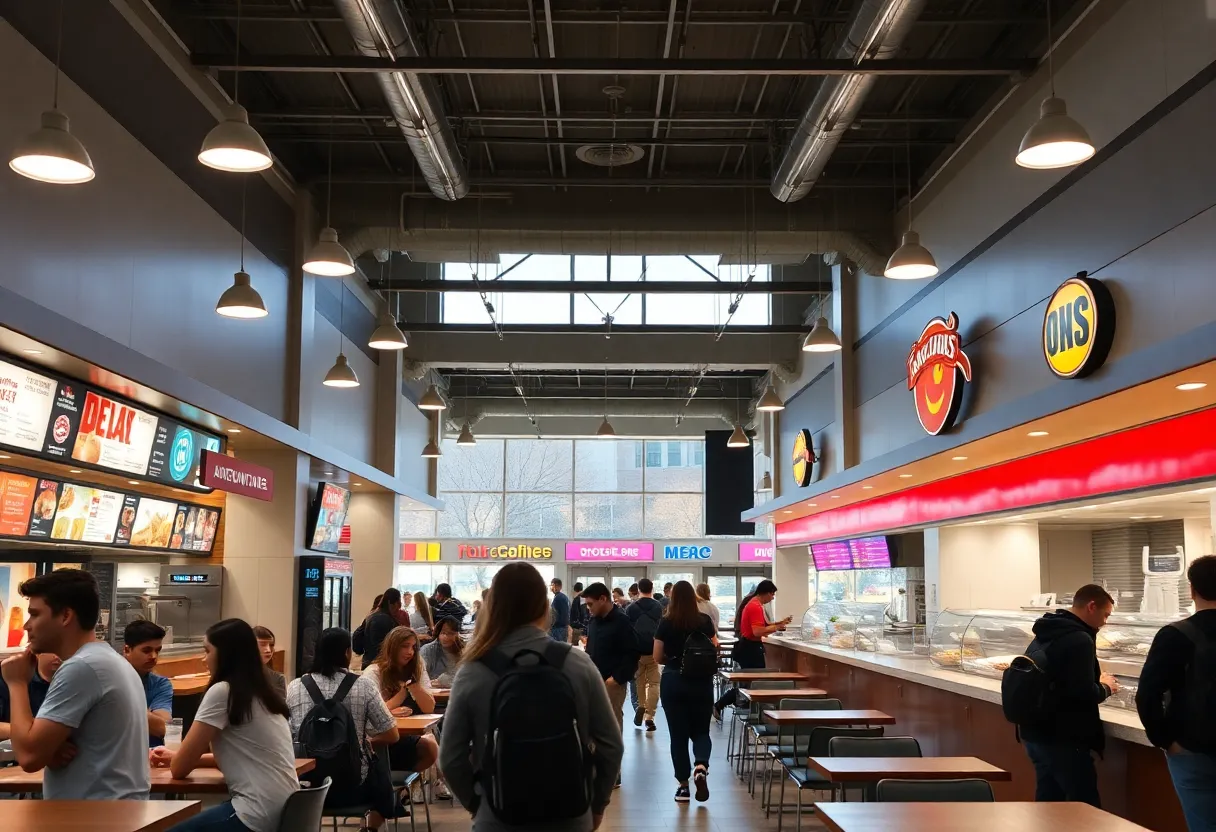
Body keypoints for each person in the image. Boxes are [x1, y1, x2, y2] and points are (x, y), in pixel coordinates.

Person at [438, 562, 623, 831]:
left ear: (493, 607)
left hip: (498, 819)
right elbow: (611, 745)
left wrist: (480, 806)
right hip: (571, 815)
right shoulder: (577, 664)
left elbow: (450, 758)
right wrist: (597, 806)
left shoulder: (474, 671)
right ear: (544, 607)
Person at [0, 569, 149, 799]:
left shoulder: (81, 668)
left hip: (94, 819)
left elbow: (29, 757)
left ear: (65, 616)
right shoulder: (109, 660)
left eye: (35, 614)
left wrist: (17, 683)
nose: (26, 625)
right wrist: (49, 748)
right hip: (116, 814)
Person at [151, 619, 299, 831]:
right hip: (285, 811)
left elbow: (179, 769)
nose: (204, 659)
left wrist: (179, 758)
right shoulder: (263, 694)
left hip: (254, 813)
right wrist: (179, 756)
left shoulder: (223, 692)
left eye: (207, 651)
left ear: (225, 655)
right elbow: (244, 755)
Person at [287, 627, 400, 830]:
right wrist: (363, 742)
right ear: (347, 652)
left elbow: (286, 736)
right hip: (354, 787)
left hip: (306, 789)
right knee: (380, 772)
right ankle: (371, 828)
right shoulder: (363, 685)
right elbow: (392, 734)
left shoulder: (295, 686)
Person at [1018, 584, 1119, 807]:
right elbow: (1082, 693)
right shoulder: (1079, 639)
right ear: (1091, 606)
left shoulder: (1049, 629)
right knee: (1085, 808)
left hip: (1034, 732)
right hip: (1064, 738)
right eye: (1105, 615)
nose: (1105, 622)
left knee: (1049, 803)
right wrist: (1106, 687)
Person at [1138, 555, 1216, 830]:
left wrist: (1166, 741)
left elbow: (1147, 695)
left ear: (1192, 590)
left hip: (1191, 748)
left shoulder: (1175, 634)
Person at [653, 581, 718, 804]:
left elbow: (657, 656)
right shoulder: (705, 621)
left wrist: (674, 659)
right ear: (693, 598)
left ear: (673, 598)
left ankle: (683, 787)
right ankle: (700, 765)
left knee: (678, 737)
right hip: (701, 683)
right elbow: (714, 647)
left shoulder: (666, 622)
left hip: (674, 681)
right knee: (701, 731)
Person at [365, 626, 439, 775]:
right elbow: (370, 715)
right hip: (380, 738)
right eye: (405, 646)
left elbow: (429, 708)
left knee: (431, 741)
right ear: (392, 647)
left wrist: (414, 686)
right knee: (430, 741)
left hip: (407, 735)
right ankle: (404, 787)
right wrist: (400, 696)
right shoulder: (374, 672)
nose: (410, 652)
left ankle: (407, 787)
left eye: (413, 647)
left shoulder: (417, 667)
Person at [713, 580, 791, 717]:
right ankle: (722, 703)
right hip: (751, 648)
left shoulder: (755, 604)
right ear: (766, 593)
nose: (772, 598)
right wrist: (776, 627)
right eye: (772, 594)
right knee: (753, 683)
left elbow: (762, 627)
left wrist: (778, 624)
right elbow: (757, 631)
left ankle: (727, 705)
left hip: (749, 647)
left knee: (751, 683)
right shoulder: (755, 606)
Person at [584, 582, 640, 747]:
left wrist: (616, 679)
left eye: (590, 604)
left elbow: (632, 653)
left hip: (612, 683)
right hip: (593, 681)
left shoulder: (622, 621)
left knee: (611, 725)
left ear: (603, 599)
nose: (588, 608)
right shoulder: (593, 621)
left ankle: (613, 768)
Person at [122, 620, 175, 748]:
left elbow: (163, 728)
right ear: (127, 650)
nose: (153, 656)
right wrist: (149, 714)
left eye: (158, 650)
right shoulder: (111, 678)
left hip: (152, 754)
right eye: (146, 651)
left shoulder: (160, 684)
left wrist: (126, 706)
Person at [625, 578, 663, 732]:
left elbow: (627, 630)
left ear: (639, 589)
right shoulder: (658, 607)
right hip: (653, 650)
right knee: (654, 683)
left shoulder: (631, 608)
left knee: (639, 682)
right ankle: (650, 716)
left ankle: (641, 706)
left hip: (637, 651)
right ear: (652, 588)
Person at [0, 652, 60, 739]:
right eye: (51, 650)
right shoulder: (10, 676)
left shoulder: (75, 681)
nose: (56, 656)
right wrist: (43, 738)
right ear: (37, 653)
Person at [355, 589, 404, 668]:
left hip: (368, 662)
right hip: (380, 665)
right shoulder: (385, 620)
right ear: (390, 603)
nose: (399, 608)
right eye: (398, 603)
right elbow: (382, 646)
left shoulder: (371, 616)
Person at [420, 616, 464, 688]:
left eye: (450, 633)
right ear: (438, 633)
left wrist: (444, 681)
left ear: (458, 635)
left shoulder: (463, 650)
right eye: (443, 633)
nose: (445, 637)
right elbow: (420, 678)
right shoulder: (427, 650)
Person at [253, 625, 287, 699]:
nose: (268, 650)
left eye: (271, 645)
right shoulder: (236, 676)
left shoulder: (278, 678)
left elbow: (280, 708)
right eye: (263, 644)